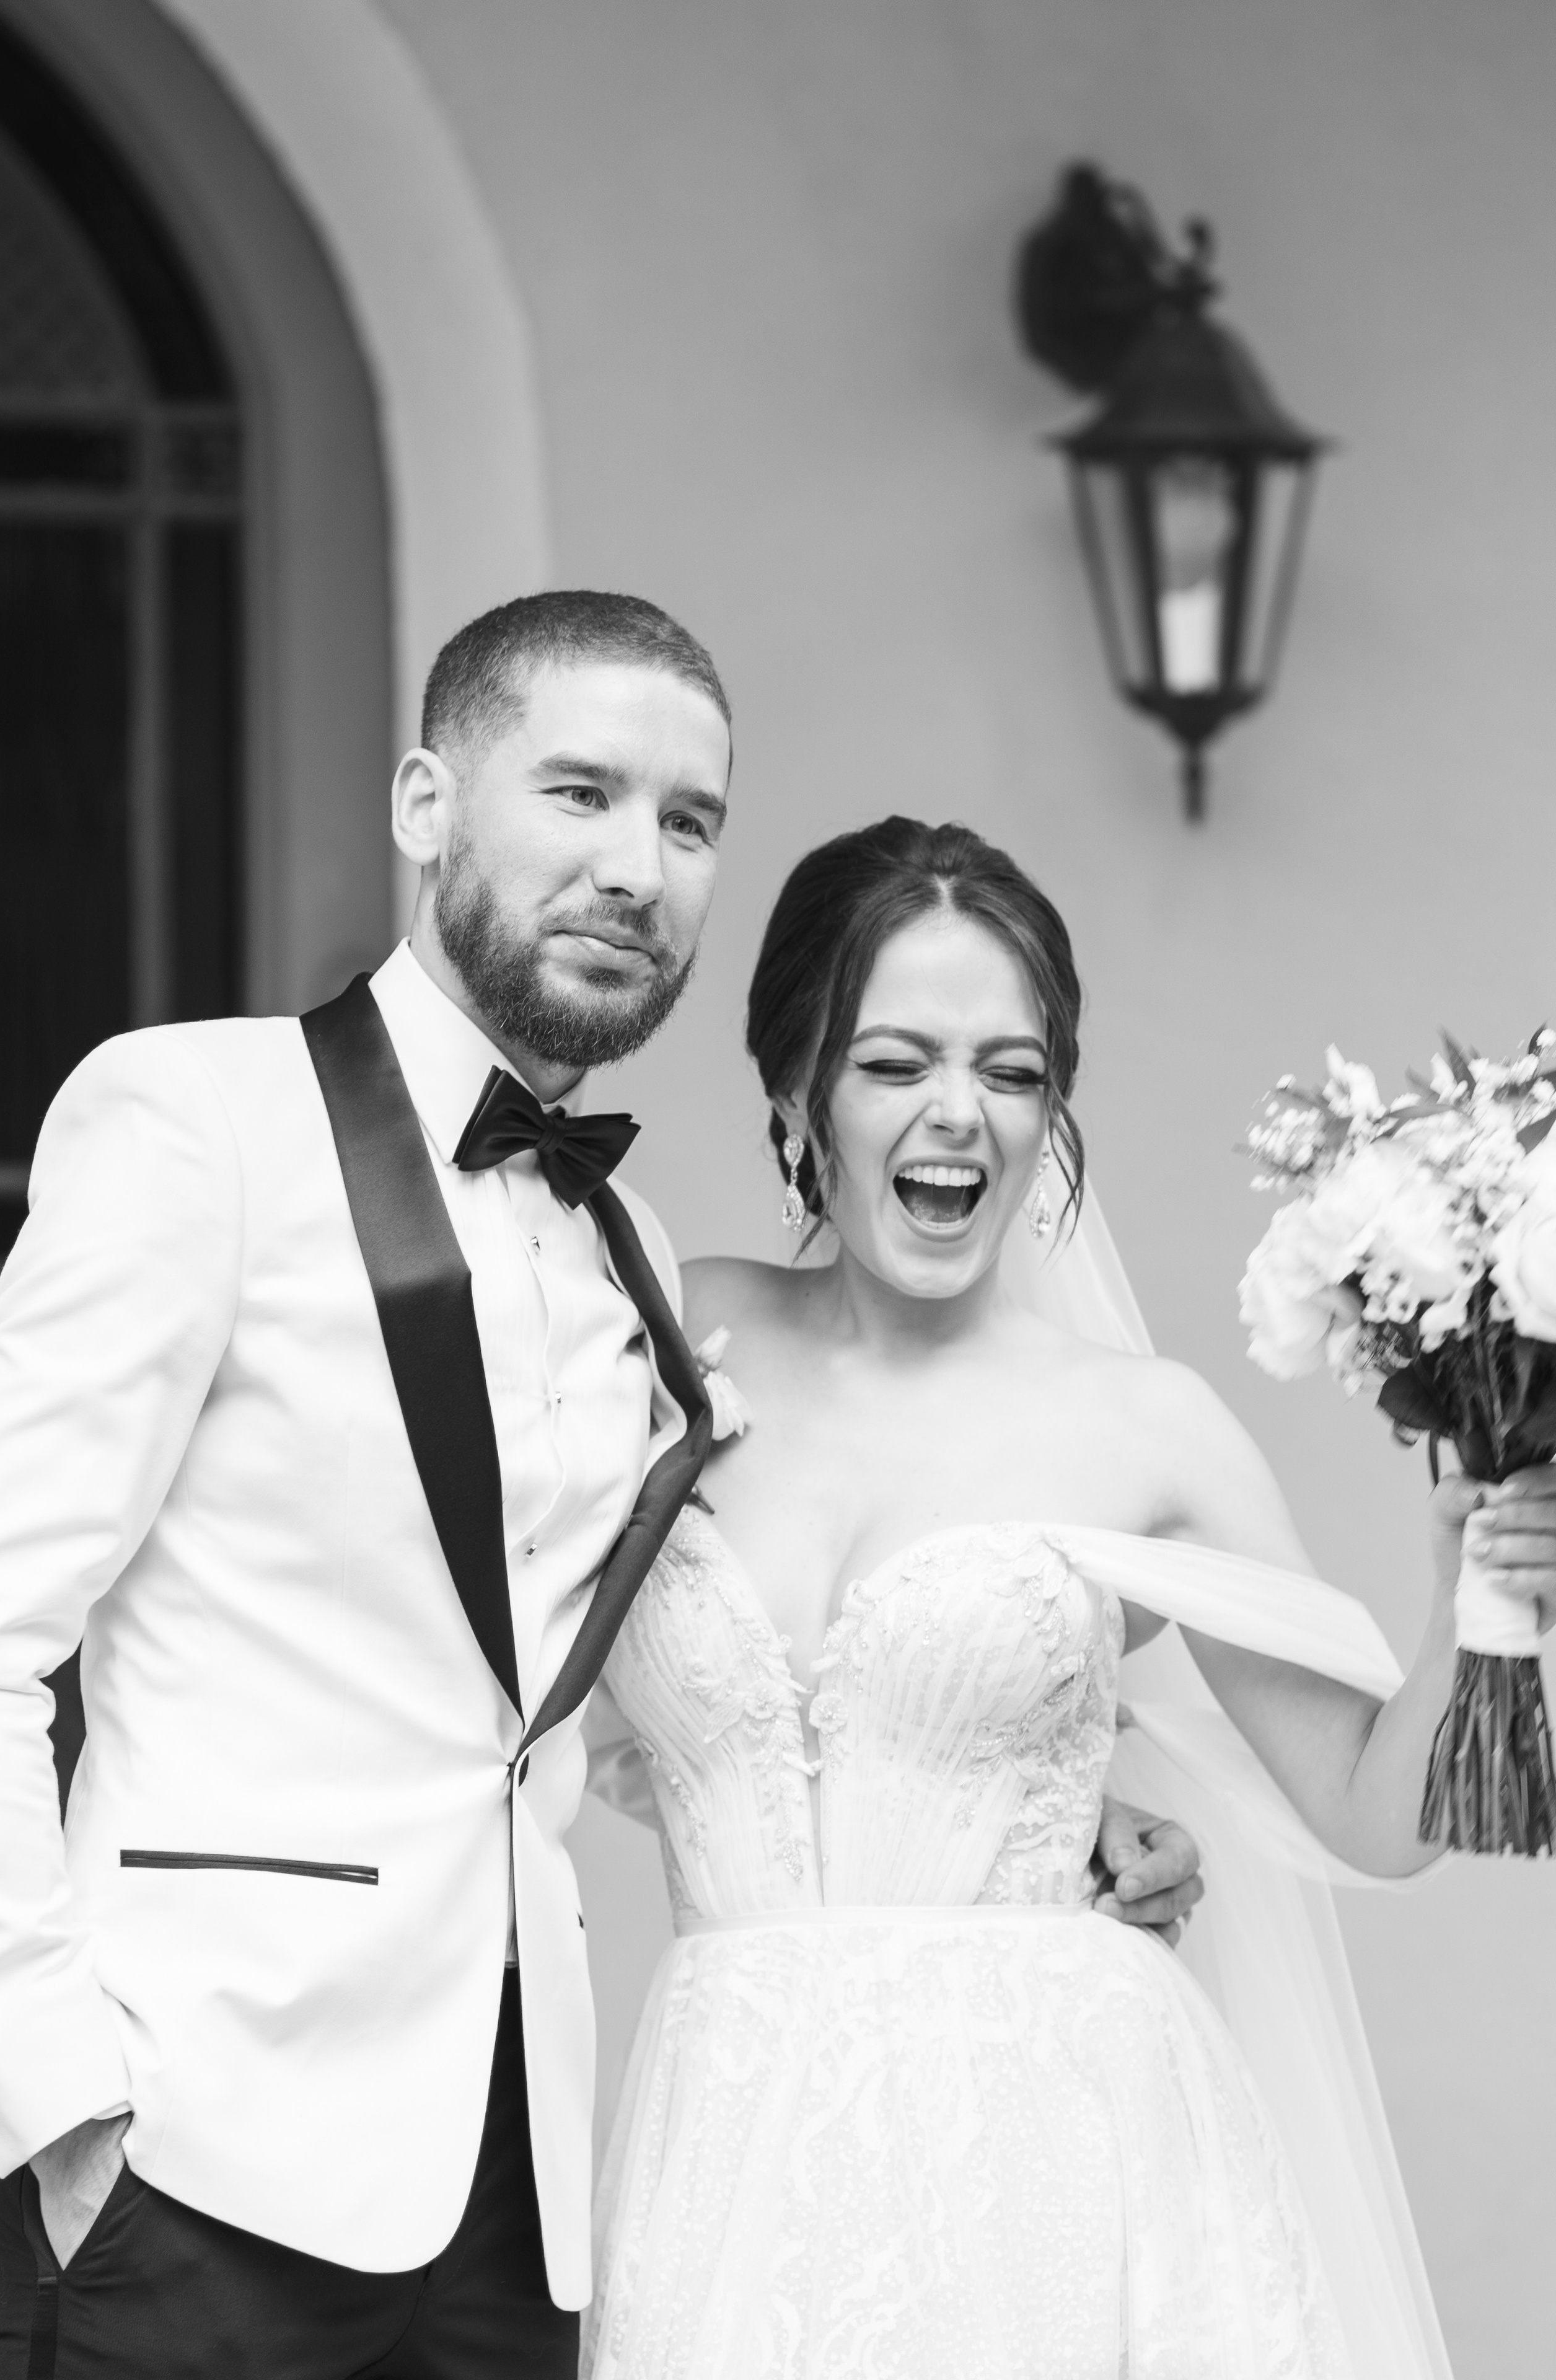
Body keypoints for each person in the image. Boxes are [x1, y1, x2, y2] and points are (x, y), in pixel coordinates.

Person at [0, 600, 1195, 2380]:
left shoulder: (628, 1255)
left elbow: (628, 1704)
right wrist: (52, 2091)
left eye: (689, 823)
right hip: (194, 2162)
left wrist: (1037, 1816)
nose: (639, 867)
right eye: (581, 794)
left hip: (519, 2215)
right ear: (424, 804)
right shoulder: (192, 1118)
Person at [582, 816, 1556, 2380]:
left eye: (1012, 1071)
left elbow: (1372, 1818)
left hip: (1054, 2169)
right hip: (726, 2164)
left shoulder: (1145, 1427)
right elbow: (610, 1717)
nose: (957, 1113)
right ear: (795, 1095)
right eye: (894, 1063)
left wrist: (1468, 1580)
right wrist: (1080, 1784)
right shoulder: (655, 1346)